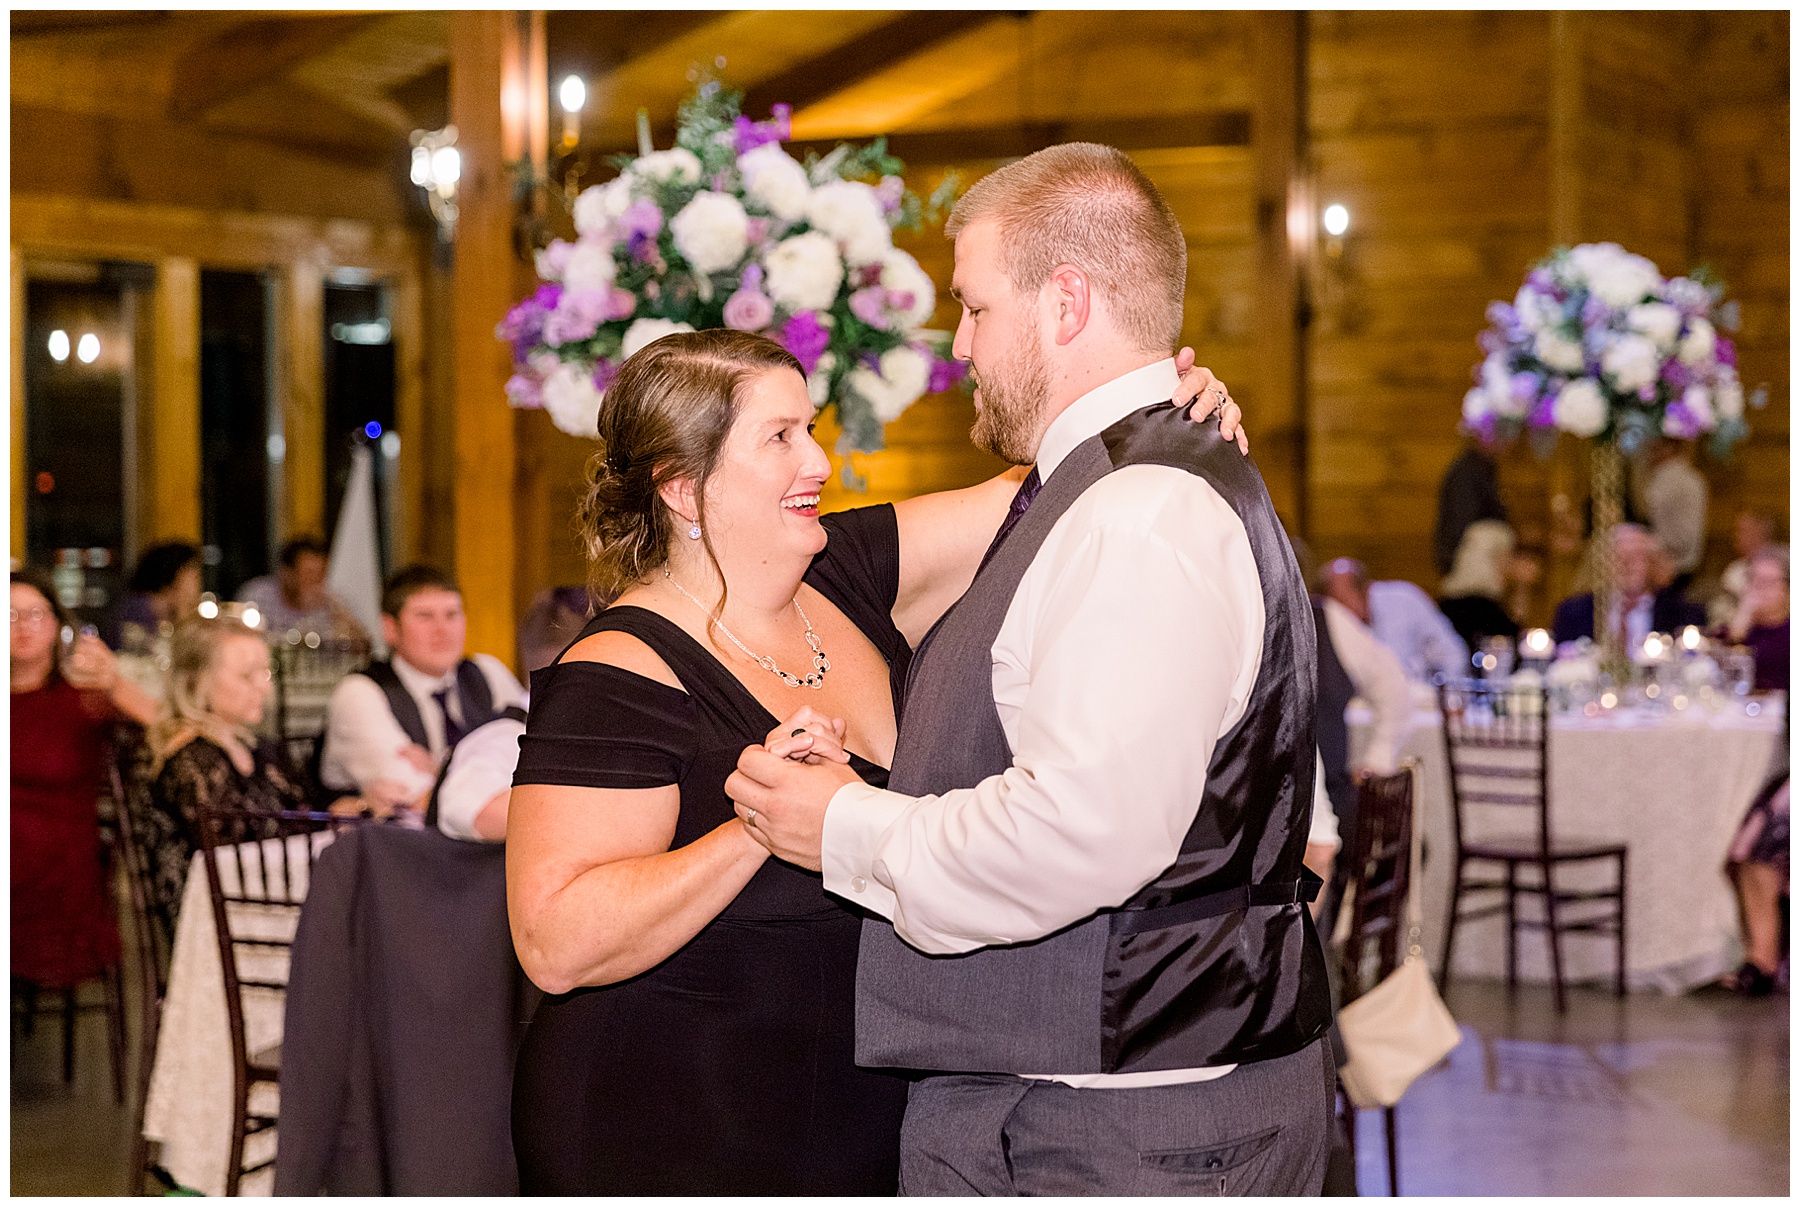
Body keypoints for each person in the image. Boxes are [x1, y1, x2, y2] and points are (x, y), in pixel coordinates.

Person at [505, 327, 1243, 1194]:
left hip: (858, 1112)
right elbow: (554, 941)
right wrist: (757, 825)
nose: (817, 459)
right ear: (683, 488)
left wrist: (1163, 411)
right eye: (779, 438)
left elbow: (1049, 486)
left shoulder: (845, 572)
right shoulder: (618, 671)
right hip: (670, 1116)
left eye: (809, 426)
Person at [728, 144, 1334, 1195]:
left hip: (1131, 1123)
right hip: (1116, 1097)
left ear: (1065, 303)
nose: (960, 343)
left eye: (974, 308)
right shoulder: (1116, 482)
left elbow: (1079, 831)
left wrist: (841, 826)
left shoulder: (1139, 514)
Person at [136, 617, 360, 927]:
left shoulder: (256, 748)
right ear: (196, 680)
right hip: (225, 926)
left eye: (265, 673)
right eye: (246, 676)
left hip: (272, 907)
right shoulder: (192, 761)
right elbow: (235, 857)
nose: (264, 687)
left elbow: (299, 816)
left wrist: (341, 813)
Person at [12, 568, 158, 996]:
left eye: (35, 614)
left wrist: (116, 683)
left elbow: (168, 729)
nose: (22, 627)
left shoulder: (85, 698)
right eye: (10, 615)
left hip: (57, 874)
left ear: (57, 625)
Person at [318, 565, 525, 817]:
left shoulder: (488, 673)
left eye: (452, 614)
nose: (442, 629)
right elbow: (411, 798)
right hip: (380, 847)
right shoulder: (360, 693)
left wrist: (438, 769)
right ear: (390, 628)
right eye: (425, 616)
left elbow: (536, 764)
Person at [1551, 523, 1706, 649]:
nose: (1626, 565)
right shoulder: (1573, 613)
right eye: (1617, 558)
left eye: (1636, 557)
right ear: (1602, 566)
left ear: (1652, 564)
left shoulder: (1683, 615)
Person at [1325, 557, 1469, 684]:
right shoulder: (1335, 622)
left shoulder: (1406, 600)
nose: (1339, 611)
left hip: (1424, 702)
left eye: (1342, 601)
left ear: (1364, 590)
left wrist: (1440, 693)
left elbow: (1454, 654)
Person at [235, 535, 369, 649]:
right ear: (287, 574)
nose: (315, 581)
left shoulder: (333, 602)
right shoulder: (257, 596)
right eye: (308, 573)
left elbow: (363, 647)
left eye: (321, 573)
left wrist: (340, 616)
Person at [1438, 519, 1522, 653]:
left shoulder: (1443, 607)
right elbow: (1511, 657)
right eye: (1508, 556)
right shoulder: (1485, 611)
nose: (1511, 563)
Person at [1638, 436, 1708, 594]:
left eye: (1652, 446)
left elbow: (1643, 508)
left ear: (1668, 447)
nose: (1647, 451)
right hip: (1685, 563)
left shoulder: (1670, 477)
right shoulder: (1693, 478)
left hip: (1669, 565)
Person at [103, 541, 202, 650]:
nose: (198, 584)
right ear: (175, 576)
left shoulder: (156, 611)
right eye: (195, 577)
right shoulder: (136, 610)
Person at [1717, 549, 1789, 694]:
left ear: (1788, 590)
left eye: (1768, 582)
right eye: (1753, 579)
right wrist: (1737, 632)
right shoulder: (1729, 631)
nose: (1759, 588)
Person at [1434, 438, 1507, 577]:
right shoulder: (1466, 474)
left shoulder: (1486, 469)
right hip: (1468, 565)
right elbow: (1463, 524)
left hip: (1479, 564)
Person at [1711, 510, 1786, 629]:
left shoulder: (1784, 564)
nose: (1735, 536)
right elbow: (1720, 615)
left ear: (1760, 532)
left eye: (1742, 531)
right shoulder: (1735, 570)